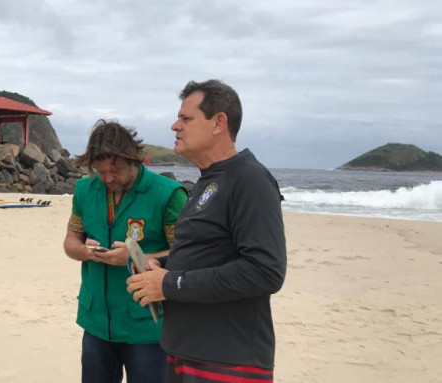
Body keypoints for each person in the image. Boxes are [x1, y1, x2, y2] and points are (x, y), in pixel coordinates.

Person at [126, 80, 286, 383]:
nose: (175, 126)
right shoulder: (207, 182)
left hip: (226, 360)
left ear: (219, 123)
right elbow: (206, 253)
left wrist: (170, 284)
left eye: (186, 118)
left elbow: (266, 271)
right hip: (185, 350)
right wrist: (162, 264)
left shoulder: (249, 180)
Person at [63, 120, 187, 383]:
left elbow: (187, 256)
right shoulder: (84, 190)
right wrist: (87, 253)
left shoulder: (168, 194)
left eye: (115, 170)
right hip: (95, 321)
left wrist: (136, 258)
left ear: (135, 160)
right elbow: (71, 242)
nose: (107, 178)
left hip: (147, 326)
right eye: (101, 171)